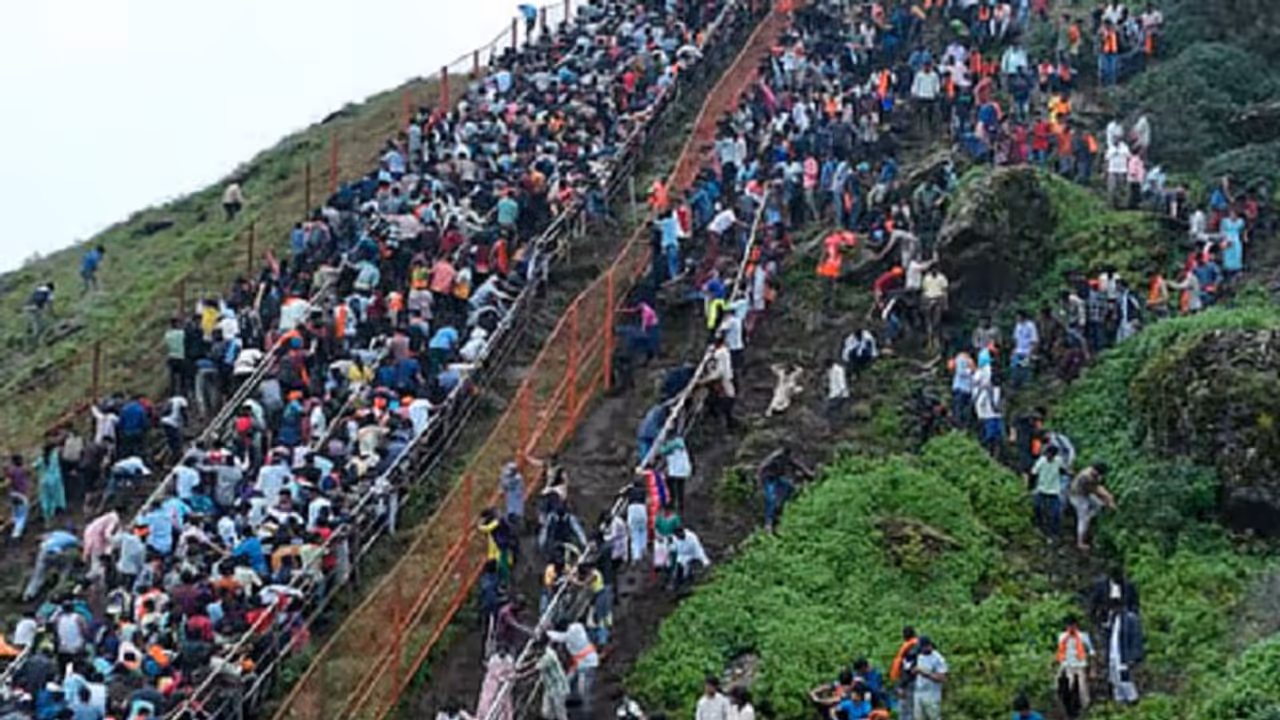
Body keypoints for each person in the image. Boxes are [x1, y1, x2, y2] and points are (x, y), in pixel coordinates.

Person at [545, 621, 598, 717]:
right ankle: (572, 701)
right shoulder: (578, 626)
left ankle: (587, 713)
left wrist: (547, 632)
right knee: (567, 681)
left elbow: (560, 637)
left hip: (587, 664)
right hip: (580, 663)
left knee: (584, 690)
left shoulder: (573, 632)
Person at [757, 448, 813, 531]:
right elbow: (761, 469)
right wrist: (760, 482)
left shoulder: (786, 459)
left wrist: (809, 474)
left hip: (777, 478)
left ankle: (785, 508)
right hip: (768, 479)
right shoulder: (773, 459)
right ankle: (769, 523)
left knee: (790, 488)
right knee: (771, 499)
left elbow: (797, 465)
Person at [1067, 462, 1116, 551]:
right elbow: (1096, 490)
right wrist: (1109, 499)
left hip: (1086, 493)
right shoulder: (1086, 477)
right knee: (1083, 519)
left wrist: (1108, 500)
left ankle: (1090, 518)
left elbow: (1098, 488)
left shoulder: (1094, 474)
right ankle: (1080, 542)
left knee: (1099, 505)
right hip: (1078, 496)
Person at [1106, 599, 1144, 704]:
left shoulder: (1130, 619)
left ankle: (1132, 699)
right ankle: (1120, 700)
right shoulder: (1112, 619)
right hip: (1113, 655)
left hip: (1123, 655)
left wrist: (1134, 657)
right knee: (1114, 679)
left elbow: (1136, 639)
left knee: (1125, 679)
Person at [1056, 615, 1094, 719]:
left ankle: (1085, 708)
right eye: (1069, 626)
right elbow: (1060, 652)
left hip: (1080, 665)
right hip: (1067, 665)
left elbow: (1091, 651)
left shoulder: (1082, 636)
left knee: (1082, 688)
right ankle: (1066, 709)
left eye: (1072, 626)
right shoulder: (1062, 637)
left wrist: (1091, 667)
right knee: (1067, 686)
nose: (1071, 628)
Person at [1028, 445, 1064, 539]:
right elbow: (1033, 474)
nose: (1049, 457)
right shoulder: (1041, 462)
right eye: (1048, 454)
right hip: (1041, 489)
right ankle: (1038, 525)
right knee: (1037, 507)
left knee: (1055, 513)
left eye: (1051, 455)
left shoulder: (1058, 461)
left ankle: (1054, 532)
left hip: (1054, 490)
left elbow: (1062, 470)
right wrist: (1031, 488)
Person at [911, 636, 947, 720]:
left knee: (934, 717)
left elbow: (942, 677)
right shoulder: (918, 655)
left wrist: (925, 673)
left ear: (928, 646)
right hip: (918, 692)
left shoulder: (937, 658)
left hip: (932, 694)